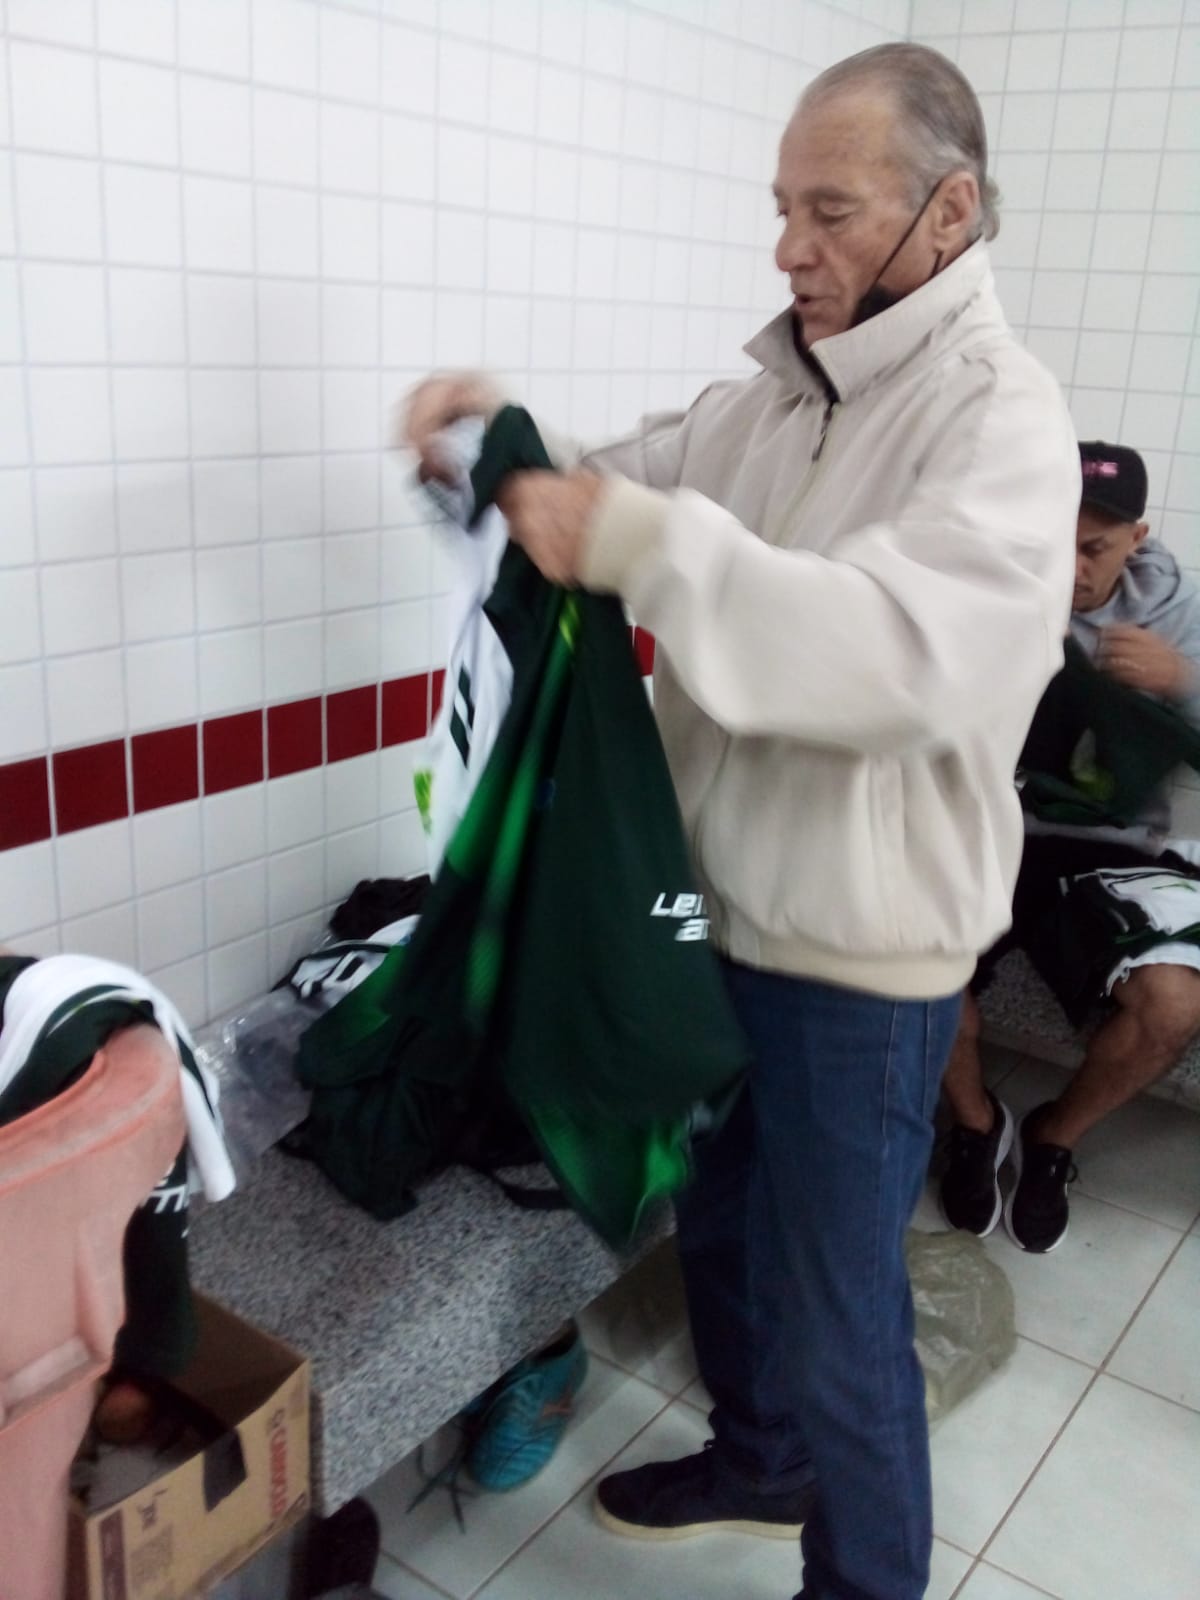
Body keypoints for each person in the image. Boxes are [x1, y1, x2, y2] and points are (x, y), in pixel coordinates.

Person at [405, 42, 1079, 1600]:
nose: (789, 247)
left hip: (861, 966)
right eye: (782, 207)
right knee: (717, 1229)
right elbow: (610, 487)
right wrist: (499, 437)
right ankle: (758, 1458)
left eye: (830, 211)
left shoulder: (1001, 424)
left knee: (844, 1314)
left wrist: (635, 537)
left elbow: (900, 655)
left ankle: (865, 1578)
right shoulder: (772, 400)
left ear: (949, 211)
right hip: (712, 922)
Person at [940, 442, 1200, 1255]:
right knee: (911, 965)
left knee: (1175, 1006)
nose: (1073, 569)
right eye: (1055, 544)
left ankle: (1053, 1138)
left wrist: (1181, 680)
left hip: (1112, 849)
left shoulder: (1178, 611)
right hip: (990, 826)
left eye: (1094, 549)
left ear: (1137, 539)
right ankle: (976, 1123)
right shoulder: (995, 585)